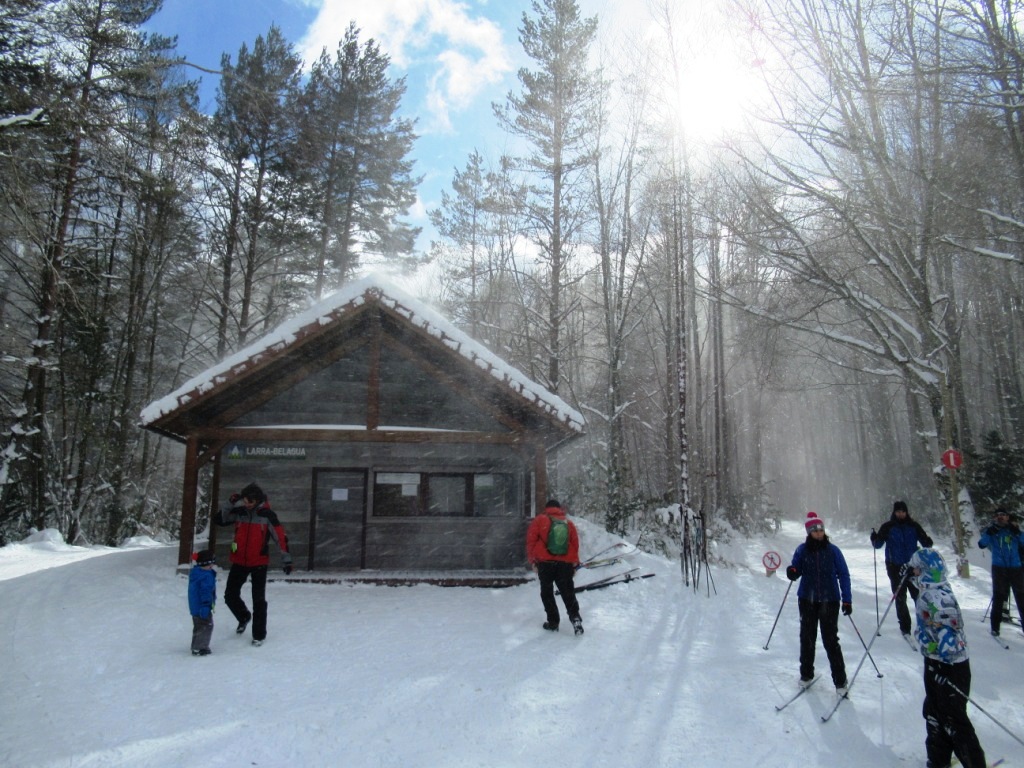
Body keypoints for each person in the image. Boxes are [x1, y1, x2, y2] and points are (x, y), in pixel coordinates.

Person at [908, 548, 987, 768]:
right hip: (935, 662)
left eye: (915, 568)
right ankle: (938, 759)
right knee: (934, 712)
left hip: (949, 667)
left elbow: (948, 634)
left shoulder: (935, 596)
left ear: (925, 570)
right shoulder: (933, 589)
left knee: (954, 720)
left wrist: (944, 665)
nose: (912, 572)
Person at [218, 483, 293, 646]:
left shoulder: (267, 515)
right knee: (230, 596)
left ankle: (259, 634)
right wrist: (230, 503)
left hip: (259, 562)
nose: (246, 504)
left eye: (249, 501)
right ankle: (244, 616)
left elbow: (280, 537)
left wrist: (286, 559)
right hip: (239, 561)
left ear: (257, 500)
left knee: (258, 600)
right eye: (244, 501)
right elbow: (220, 519)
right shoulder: (240, 513)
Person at [786, 512, 851, 695]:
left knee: (831, 640)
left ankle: (840, 681)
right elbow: (795, 568)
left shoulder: (833, 551)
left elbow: (843, 574)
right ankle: (806, 675)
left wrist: (847, 599)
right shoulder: (802, 550)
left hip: (830, 600)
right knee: (807, 637)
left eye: (821, 529)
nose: (819, 533)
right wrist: (792, 571)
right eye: (815, 530)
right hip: (807, 599)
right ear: (809, 532)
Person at [870, 500, 934, 637]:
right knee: (900, 597)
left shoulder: (913, 526)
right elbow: (878, 544)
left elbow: (925, 543)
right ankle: (905, 628)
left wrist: (928, 541)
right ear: (894, 512)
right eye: (898, 512)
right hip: (895, 567)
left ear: (906, 512)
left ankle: (924, 624)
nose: (901, 514)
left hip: (913, 567)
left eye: (903, 512)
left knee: (918, 596)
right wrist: (874, 538)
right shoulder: (888, 526)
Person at [526, 499, 584, 635]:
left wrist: (533, 561)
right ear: (559, 509)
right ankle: (575, 619)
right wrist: (574, 563)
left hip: (545, 564)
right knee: (568, 592)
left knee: (547, 593)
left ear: (547, 508)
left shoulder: (540, 520)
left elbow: (531, 541)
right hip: (565, 564)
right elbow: (575, 544)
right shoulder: (568, 523)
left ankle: (553, 622)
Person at [978, 508, 1024, 636]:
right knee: (998, 596)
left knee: (1021, 597)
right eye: (998, 515)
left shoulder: (1014, 530)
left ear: (1007, 517)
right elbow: (982, 544)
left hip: (1015, 567)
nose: (1000, 517)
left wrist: (1018, 533)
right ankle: (995, 627)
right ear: (994, 518)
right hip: (999, 567)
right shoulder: (992, 530)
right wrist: (989, 533)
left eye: (1003, 515)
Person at [188, 549, 217, 656]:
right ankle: (200, 648)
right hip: (202, 607)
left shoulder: (196, 572)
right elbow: (205, 591)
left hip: (195, 607)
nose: (212, 566)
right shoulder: (206, 576)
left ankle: (196, 645)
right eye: (210, 564)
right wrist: (206, 605)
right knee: (206, 625)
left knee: (198, 626)